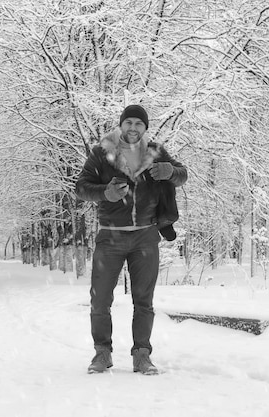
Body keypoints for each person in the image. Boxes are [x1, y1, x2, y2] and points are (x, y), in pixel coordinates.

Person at [75, 104, 188, 375]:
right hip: (110, 236)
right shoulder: (102, 152)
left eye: (139, 124)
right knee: (100, 300)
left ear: (145, 128)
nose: (134, 128)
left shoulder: (156, 152)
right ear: (121, 125)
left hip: (145, 237)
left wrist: (169, 172)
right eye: (129, 123)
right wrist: (105, 193)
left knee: (144, 300)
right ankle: (102, 353)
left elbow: (182, 174)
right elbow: (81, 188)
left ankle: (142, 354)